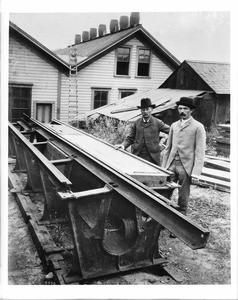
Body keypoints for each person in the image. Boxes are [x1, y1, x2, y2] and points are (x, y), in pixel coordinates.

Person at [162, 96, 206, 218]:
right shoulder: (174, 126)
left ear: (191, 110)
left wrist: (196, 173)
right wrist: (163, 167)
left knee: (183, 196)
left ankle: (180, 223)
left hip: (185, 167)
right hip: (171, 165)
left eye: (185, 108)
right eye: (180, 108)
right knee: (164, 193)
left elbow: (200, 151)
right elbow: (168, 148)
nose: (182, 111)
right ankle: (162, 220)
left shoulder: (198, 127)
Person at [115, 98, 170, 166]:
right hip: (137, 156)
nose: (145, 111)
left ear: (151, 110)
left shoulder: (157, 122)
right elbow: (130, 138)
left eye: (147, 109)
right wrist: (123, 145)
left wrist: (163, 145)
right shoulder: (136, 123)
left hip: (153, 158)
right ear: (140, 111)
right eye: (143, 109)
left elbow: (172, 132)